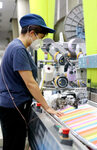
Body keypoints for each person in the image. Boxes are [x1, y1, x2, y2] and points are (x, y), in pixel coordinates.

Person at [0, 14, 63, 150]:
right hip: (14, 107)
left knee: (13, 143)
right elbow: (30, 83)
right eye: (40, 38)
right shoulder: (18, 50)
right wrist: (47, 107)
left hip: (11, 105)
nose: (40, 42)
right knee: (13, 145)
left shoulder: (17, 47)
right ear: (32, 33)